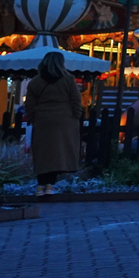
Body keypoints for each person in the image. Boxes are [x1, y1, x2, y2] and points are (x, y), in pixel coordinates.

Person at [24, 51, 83, 195]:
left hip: (42, 120)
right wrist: (75, 116)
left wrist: (33, 118)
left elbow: (29, 105)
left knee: (42, 152)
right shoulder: (68, 79)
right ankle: (50, 185)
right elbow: (76, 100)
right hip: (64, 120)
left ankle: (40, 186)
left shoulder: (35, 82)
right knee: (59, 153)